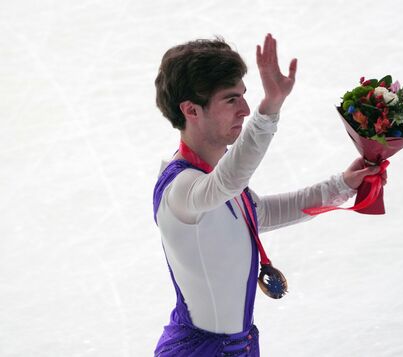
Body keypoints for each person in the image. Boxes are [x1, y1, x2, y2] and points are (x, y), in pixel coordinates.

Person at [152, 34, 383, 356]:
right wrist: (270, 108)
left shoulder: (213, 180)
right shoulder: (183, 189)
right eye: (231, 100)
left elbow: (261, 214)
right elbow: (229, 181)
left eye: (245, 97)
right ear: (191, 110)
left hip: (239, 346)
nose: (245, 110)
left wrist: (343, 185)